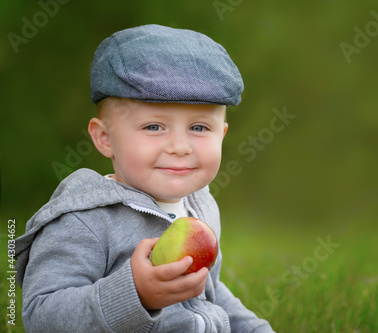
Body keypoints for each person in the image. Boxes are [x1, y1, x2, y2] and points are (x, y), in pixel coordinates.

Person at [15, 24, 275, 333]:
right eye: (154, 127)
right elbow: (41, 316)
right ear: (104, 138)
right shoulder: (85, 220)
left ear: (222, 135)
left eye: (199, 128)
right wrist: (134, 295)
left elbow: (211, 294)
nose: (180, 147)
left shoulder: (201, 207)